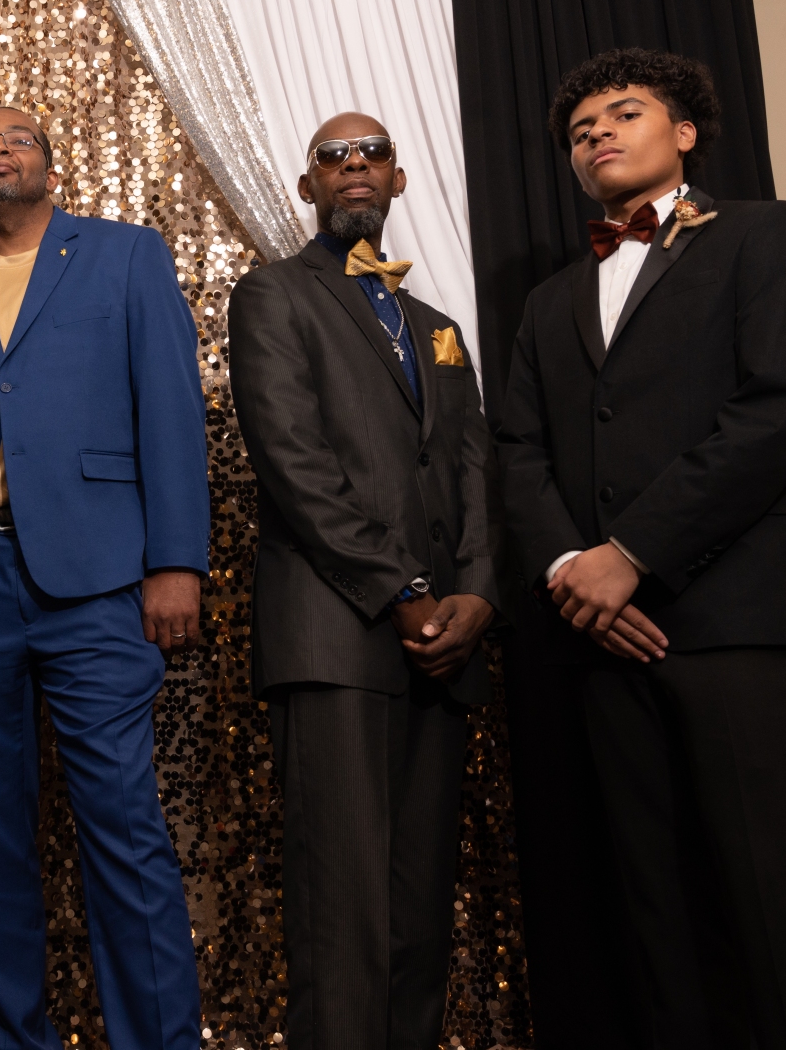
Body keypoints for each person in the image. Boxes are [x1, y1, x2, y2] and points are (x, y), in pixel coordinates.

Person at [497, 47, 786, 1049]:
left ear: (684, 132)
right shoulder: (548, 301)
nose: (598, 135)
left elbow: (780, 410)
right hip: (600, 636)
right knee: (651, 911)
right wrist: (571, 573)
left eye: (623, 114)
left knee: (779, 902)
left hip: (741, 619)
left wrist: (630, 552)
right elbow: (519, 452)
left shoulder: (768, 234)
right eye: (580, 132)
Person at [0, 107, 208, 1050]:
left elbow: (171, 409)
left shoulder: (126, 257)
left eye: (18, 137)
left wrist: (176, 561)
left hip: (98, 579)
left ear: (51, 168)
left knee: (123, 826)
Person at [226, 113, 497, 1049]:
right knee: (342, 909)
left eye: (372, 153)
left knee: (420, 910)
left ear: (398, 178)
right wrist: (404, 592)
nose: (354, 167)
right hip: (338, 635)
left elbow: (472, 468)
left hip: (445, 642)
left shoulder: (438, 328)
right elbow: (293, 463)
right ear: (307, 187)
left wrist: (477, 593)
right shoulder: (272, 294)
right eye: (331, 157)